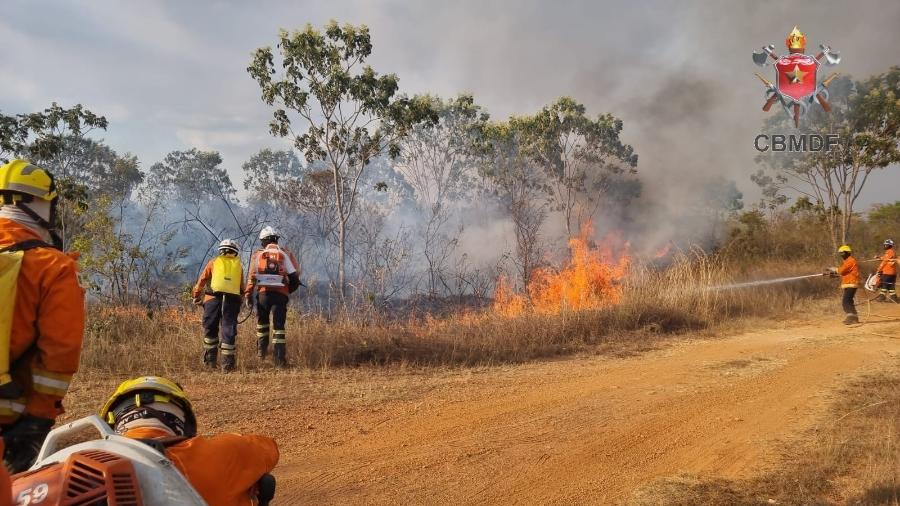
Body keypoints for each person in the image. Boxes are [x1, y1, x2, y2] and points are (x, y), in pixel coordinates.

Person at [0, 160, 84, 473]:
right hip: (12, 418)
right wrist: (38, 418)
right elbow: (60, 353)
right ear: (38, 204)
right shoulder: (54, 268)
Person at [99, 376, 278, 506]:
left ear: (113, 422)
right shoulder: (221, 455)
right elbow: (270, 449)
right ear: (183, 422)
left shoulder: (82, 464)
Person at [245, 226, 300, 367]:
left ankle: (261, 354)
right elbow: (295, 276)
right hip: (280, 295)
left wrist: (248, 295)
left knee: (262, 324)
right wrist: (288, 290)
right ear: (276, 240)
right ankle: (279, 359)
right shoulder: (284, 254)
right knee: (279, 327)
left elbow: (251, 277)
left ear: (263, 241)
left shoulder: (258, 255)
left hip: (263, 295)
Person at [192, 239, 245, 372]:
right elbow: (241, 287)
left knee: (210, 328)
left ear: (220, 250)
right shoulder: (238, 266)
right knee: (228, 330)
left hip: (212, 300)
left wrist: (196, 295)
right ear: (235, 252)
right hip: (231, 302)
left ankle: (210, 361)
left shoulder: (213, 262)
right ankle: (227, 366)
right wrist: (242, 300)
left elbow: (202, 280)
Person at [826, 245, 860, 325]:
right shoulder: (847, 261)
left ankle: (850, 318)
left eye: (842, 253)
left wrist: (834, 269)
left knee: (845, 301)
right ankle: (855, 318)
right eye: (840, 253)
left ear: (847, 253)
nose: (841, 255)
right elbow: (845, 273)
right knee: (849, 301)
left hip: (851, 283)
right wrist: (834, 275)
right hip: (849, 283)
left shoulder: (850, 261)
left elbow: (841, 270)